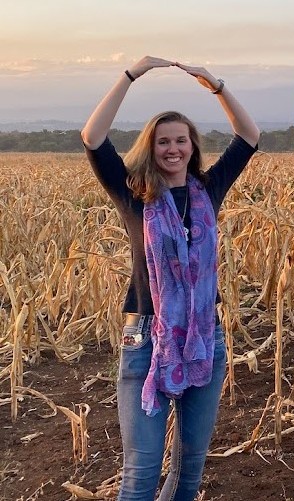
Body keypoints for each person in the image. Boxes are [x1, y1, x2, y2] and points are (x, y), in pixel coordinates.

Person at [81, 56, 260, 501]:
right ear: (152, 146)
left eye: (181, 140)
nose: (173, 149)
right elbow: (92, 137)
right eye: (163, 141)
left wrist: (216, 84)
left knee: (187, 474)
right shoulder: (133, 194)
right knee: (140, 476)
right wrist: (131, 74)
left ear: (193, 147)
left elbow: (249, 136)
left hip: (205, 338)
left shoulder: (209, 190)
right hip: (146, 339)